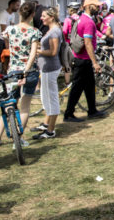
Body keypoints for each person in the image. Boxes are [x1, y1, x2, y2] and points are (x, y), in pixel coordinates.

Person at [0, 2, 41, 148]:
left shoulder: (10, 30)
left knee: (9, 104)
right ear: (32, 15)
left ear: (19, 13)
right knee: (24, 106)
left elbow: (7, 43)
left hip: (13, 70)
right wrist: (26, 71)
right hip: (29, 72)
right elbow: (32, 55)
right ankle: (18, 140)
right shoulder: (34, 32)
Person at [63, 0, 108, 122]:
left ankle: (92, 110)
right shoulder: (88, 22)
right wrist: (95, 62)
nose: (99, 8)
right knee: (77, 87)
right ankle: (69, 114)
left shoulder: (83, 19)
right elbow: (88, 43)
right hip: (83, 60)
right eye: (96, 6)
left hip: (82, 58)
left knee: (89, 86)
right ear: (89, 6)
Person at [31, 7, 63, 139]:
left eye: (44, 16)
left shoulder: (54, 31)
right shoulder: (53, 30)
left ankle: (50, 130)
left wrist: (37, 51)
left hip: (50, 68)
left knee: (51, 99)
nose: (41, 18)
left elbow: (53, 52)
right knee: (46, 98)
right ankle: (46, 124)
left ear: (51, 17)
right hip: (46, 68)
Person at [0, 0, 20, 72]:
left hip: (5, 38)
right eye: (17, 5)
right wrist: (7, 42)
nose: (18, 7)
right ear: (11, 5)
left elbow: (12, 28)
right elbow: (4, 30)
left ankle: (4, 72)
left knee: (6, 56)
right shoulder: (3, 14)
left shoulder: (13, 14)